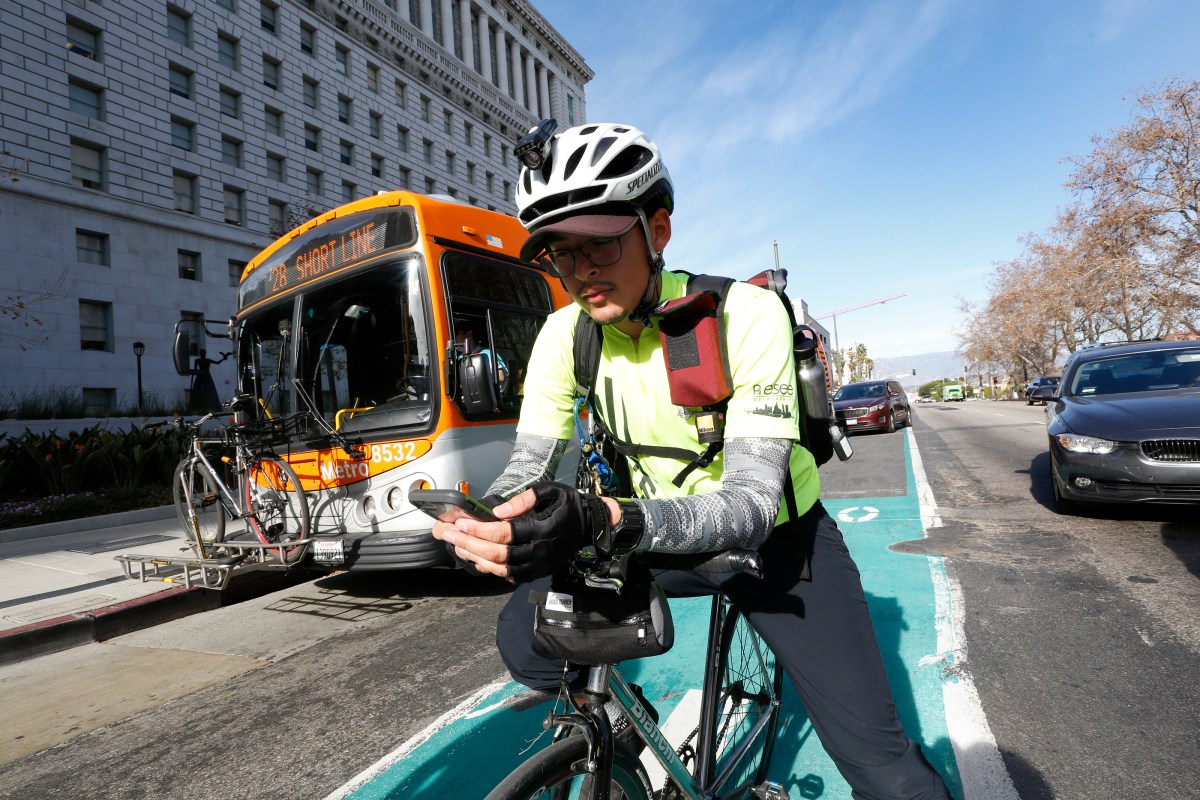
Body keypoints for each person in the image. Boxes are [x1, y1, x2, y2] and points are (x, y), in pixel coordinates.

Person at [431, 122, 950, 799]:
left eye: (601, 243)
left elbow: (751, 506)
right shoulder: (565, 334)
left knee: (882, 769)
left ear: (659, 229)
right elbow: (532, 464)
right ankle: (617, 734)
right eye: (562, 253)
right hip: (650, 540)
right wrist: (490, 520)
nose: (582, 269)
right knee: (522, 633)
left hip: (779, 552)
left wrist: (604, 516)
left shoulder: (747, 314)